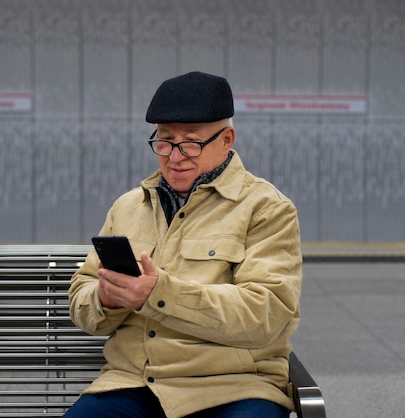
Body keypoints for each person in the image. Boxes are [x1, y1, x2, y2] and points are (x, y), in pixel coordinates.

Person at [65, 71, 302, 418]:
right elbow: (81, 297)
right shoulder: (129, 207)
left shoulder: (266, 208)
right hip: (134, 383)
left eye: (190, 143)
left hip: (234, 386)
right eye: (164, 142)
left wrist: (157, 293)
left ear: (227, 139)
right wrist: (105, 298)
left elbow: (265, 312)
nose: (174, 157)